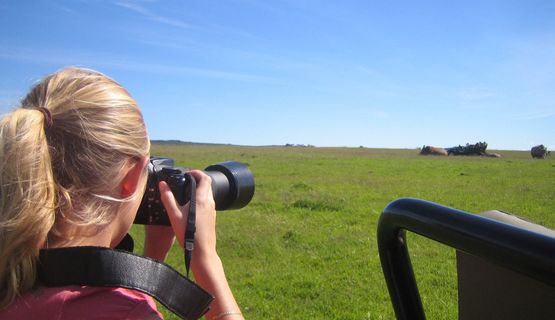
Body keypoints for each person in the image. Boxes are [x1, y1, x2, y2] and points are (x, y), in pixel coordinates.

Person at [0, 67, 244, 320]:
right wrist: (207, 261)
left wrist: (151, 260)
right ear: (130, 177)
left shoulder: (13, 275)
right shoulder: (127, 314)